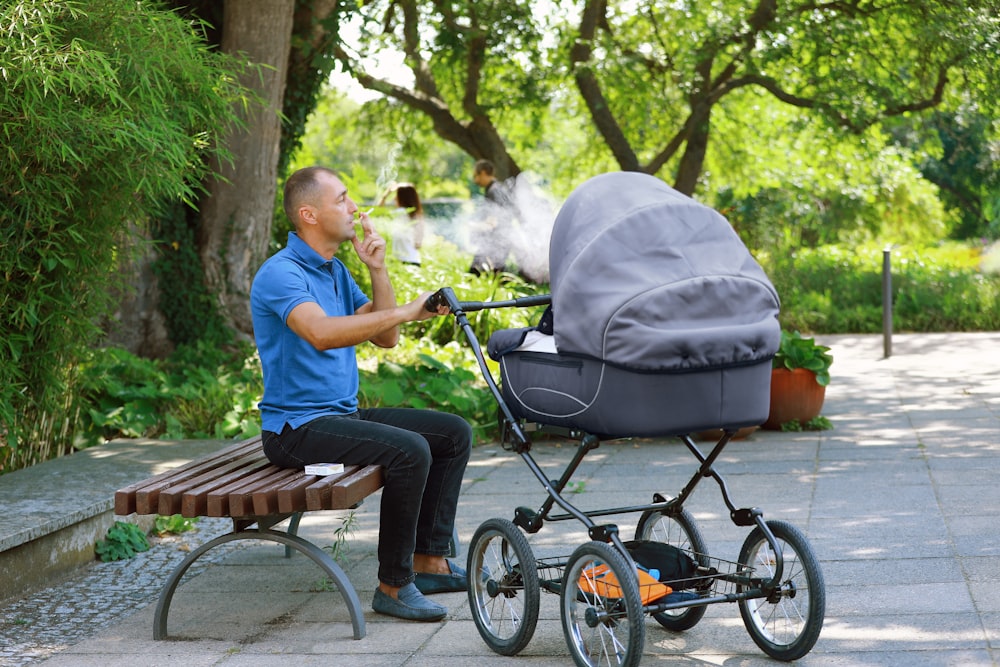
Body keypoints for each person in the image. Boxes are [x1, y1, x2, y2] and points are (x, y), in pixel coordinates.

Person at [250, 166, 473, 623]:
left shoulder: (333, 271)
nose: (356, 208)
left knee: (452, 433)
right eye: (343, 199)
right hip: (295, 430)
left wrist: (377, 269)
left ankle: (428, 561)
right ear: (309, 214)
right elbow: (321, 333)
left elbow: (384, 336)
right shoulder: (280, 274)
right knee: (410, 451)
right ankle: (394, 585)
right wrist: (412, 311)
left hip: (338, 416)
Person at [468, 159, 515, 276]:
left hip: (498, 241)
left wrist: (474, 226)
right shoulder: (496, 189)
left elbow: (493, 221)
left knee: (476, 273)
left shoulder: (494, 191)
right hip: (499, 240)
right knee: (494, 275)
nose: (475, 180)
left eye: (476, 175)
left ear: (483, 173)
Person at [379, 182, 425, 266]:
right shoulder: (417, 215)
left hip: (400, 261)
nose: (394, 198)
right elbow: (418, 244)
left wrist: (386, 195)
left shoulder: (399, 213)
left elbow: (378, 212)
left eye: (397, 195)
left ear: (401, 198)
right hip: (414, 259)